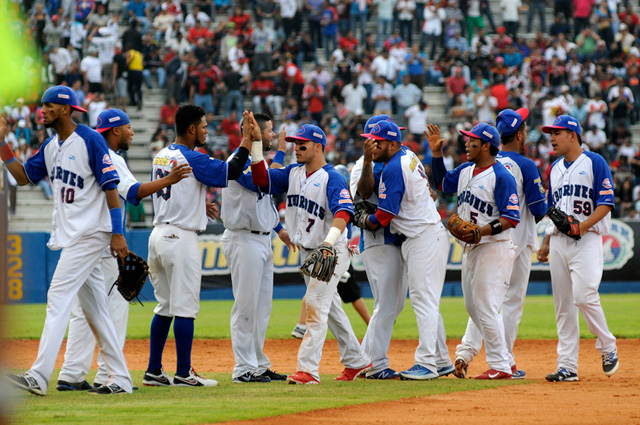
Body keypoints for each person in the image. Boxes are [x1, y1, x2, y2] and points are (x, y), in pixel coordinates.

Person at [3, 86, 133, 395]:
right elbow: (22, 177)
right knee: (96, 311)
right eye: (43, 105)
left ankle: (38, 375)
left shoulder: (90, 139)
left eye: (49, 106)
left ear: (66, 109)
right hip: (74, 234)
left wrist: (118, 233)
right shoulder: (51, 146)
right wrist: (1, 144)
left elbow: (111, 189)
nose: (43, 110)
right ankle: (122, 379)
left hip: (91, 233)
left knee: (58, 296)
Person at [55, 109, 192, 391]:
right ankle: (110, 376)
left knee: (84, 311)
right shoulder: (110, 157)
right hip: (104, 243)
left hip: (81, 239)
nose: (132, 132)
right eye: (128, 127)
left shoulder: (83, 153)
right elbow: (133, 193)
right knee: (114, 309)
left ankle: (71, 374)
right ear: (115, 131)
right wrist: (169, 180)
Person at [250, 123, 372, 384]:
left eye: (302, 145)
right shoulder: (293, 172)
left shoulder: (332, 177)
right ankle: (357, 360)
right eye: (295, 144)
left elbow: (343, 212)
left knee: (315, 305)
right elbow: (262, 179)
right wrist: (259, 145)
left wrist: (328, 243)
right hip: (308, 251)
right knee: (332, 308)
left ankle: (307, 370)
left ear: (318, 147)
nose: (297, 149)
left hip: (331, 250)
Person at [143, 106, 252, 387]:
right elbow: (233, 169)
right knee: (184, 308)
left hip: (157, 235)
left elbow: (173, 190)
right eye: (203, 126)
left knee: (165, 306)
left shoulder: (162, 155)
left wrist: (198, 203)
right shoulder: (193, 157)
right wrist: (248, 141)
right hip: (180, 238)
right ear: (191, 129)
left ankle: (154, 370)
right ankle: (183, 373)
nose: (206, 130)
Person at [354, 115, 453, 380]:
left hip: (424, 236)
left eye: (378, 142)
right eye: (370, 141)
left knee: (424, 301)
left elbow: (385, 215)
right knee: (426, 300)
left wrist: (366, 220)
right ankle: (441, 361)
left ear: (393, 144)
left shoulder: (394, 167)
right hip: (419, 236)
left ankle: (427, 364)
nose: (372, 146)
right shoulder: (405, 154)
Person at [452, 109, 547, 380]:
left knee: (484, 302)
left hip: (485, 241)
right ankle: (505, 361)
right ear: (520, 135)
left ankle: (466, 352)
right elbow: (540, 210)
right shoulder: (524, 165)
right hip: (512, 240)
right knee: (507, 303)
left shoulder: (481, 164)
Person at [429, 121, 520, 380]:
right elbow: (442, 183)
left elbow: (511, 218)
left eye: (472, 141)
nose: (466, 144)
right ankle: (503, 359)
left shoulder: (501, 176)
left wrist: (482, 230)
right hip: (471, 247)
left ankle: (500, 365)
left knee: (485, 305)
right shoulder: (466, 170)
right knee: (473, 306)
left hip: (495, 247)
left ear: (487, 146)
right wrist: (437, 154)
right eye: (467, 139)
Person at [537, 115, 619, 382]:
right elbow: (554, 212)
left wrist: (582, 227)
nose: (551, 138)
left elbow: (606, 202)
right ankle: (567, 367)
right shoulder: (555, 168)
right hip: (559, 242)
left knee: (584, 296)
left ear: (572, 135)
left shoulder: (595, 162)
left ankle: (607, 345)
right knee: (563, 306)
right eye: (550, 133)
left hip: (586, 239)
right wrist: (547, 242)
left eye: (556, 133)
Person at [220, 114, 293, 384]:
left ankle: (259, 364)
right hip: (243, 238)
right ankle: (243, 368)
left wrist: (279, 229)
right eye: (270, 131)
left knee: (262, 308)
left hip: (261, 238)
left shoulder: (257, 161)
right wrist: (282, 153)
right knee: (246, 306)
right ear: (256, 133)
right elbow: (261, 181)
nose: (274, 135)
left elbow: (266, 198)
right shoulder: (237, 162)